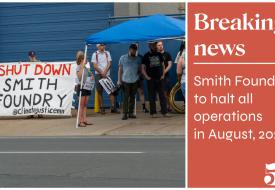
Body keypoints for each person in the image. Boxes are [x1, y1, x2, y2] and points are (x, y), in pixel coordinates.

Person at [142, 42, 169, 118]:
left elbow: (163, 65)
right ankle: (153, 113)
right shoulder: (146, 56)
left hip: (160, 78)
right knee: (152, 96)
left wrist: (163, 75)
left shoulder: (159, 54)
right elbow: (142, 68)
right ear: (149, 46)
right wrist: (146, 76)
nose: (154, 46)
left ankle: (165, 112)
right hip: (151, 79)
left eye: (155, 45)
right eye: (152, 45)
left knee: (162, 96)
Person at [92, 44, 120, 114]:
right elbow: (95, 66)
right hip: (98, 75)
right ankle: (102, 108)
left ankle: (113, 108)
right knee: (99, 92)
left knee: (111, 91)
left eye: (104, 45)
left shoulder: (107, 53)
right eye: (101, 45)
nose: (103, 46)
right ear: (98, 46)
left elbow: (109, 63)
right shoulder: (95, 54)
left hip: (107, 74)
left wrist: (105, 72)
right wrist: (102, 72)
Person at [118, 44, 141, 120]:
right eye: (132, 49)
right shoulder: (123, 58)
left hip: (135, 80)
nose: (133, 51)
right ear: (129, 49)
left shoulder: (138, 59)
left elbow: (140, 69)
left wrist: (138, 76)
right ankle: (125, 113)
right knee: (125, 97)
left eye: (135, 49)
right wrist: (119, 80)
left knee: (132, 97)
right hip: (125, 80)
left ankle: (131, 113)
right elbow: (120, 70)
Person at [76, 51, 94, 127]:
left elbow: (90, 74)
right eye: (85, 59)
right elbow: (79, 77)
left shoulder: (87, 68)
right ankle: (80, 121)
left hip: (87, 87)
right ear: (81, 60)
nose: (87, 60)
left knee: (85, 104)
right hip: (81, 87)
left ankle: (84, 119)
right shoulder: (79, 67)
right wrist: (82, 67)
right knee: (81, 105)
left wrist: (92, 76)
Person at [156, 41, 173, 112]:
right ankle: (162, 107)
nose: (160, 46)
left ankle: (169, 106)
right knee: (159, 92)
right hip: (157, 77)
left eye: (161, 45)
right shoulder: (155, 55)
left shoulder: (167, 54)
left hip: (166, 77)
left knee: (167, 92)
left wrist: (163, 73)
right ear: (156, 46)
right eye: (158, 45)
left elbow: (170, 65)